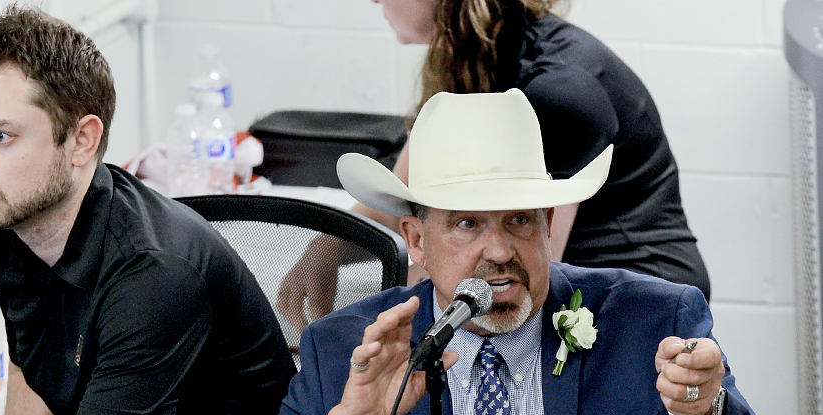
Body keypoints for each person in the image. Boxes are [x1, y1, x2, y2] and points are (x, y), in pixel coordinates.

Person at [260, 91, 794, 415]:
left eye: (519, 220)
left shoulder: (648, 323)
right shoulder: (346, 351)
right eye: (468, 223)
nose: (498, 251)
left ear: (547, 225)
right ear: (416, 240)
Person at [0, 6, 295, 415]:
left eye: (0, 137)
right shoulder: (12, 222)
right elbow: (33, 357)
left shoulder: (154, 276)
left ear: (82, 141)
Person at [277, 0, 709, 333]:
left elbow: (527, 267)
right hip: (551, 274)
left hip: (630, 293)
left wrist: (374, 318)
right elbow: (405, 195)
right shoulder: (479, 59)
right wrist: (325, 250)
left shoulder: (556, 89)